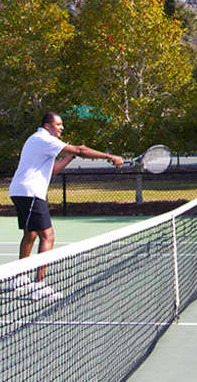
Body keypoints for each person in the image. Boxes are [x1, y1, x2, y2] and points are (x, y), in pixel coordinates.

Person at [9, 111, 122, 300]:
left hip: (21, 191)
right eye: (58, 124)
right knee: (48, 235)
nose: (62, 128)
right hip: (30, 193)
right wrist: (110, 157)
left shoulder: (39, 140)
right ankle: (39, 285)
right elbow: (80, 149)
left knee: (31, 233)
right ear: (47, 126)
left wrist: (70, 157)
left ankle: (19, 277)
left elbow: (53, 170)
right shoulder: (44, 139)